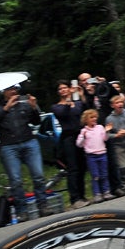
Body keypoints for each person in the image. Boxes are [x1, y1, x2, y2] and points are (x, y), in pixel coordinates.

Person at [0, 85, 53, 218]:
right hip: (8, 146)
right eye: (10, 89)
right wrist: (6, 108)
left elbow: (36, 122)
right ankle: (21, 211)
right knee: (16, 180)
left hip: (29, 141)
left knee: (38, 175)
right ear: (4, 92)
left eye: (15, 89)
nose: (13, 91)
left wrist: (34, 107)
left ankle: (43, 205)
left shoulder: (24, 105)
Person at [51, 80, 89, 208]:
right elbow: (63, 114)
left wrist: (81, 94)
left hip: (80, 135)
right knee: (73, 168)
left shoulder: (77, 103)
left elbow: (85, 109)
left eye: (65, 88)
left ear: (69, 88)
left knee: (82, 166)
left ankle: (82, 195)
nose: (63, 90)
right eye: (60, 89)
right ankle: (74, 198)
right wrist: (68, 101)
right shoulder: (56, 107)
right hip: (68, 137)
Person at [76, 108, 113, 203]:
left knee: (104, 174)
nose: (94, 119)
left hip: (102, 153)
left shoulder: (100, 127)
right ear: (86, 120)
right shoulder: (84, 131)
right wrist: (83, 137)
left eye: (95, 117)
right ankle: (97, 194)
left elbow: (105, 139)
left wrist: (107, 131)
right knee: (95, 176)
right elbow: (79, 144)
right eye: (91, 117)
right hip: (91, 156)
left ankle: (106, 191)